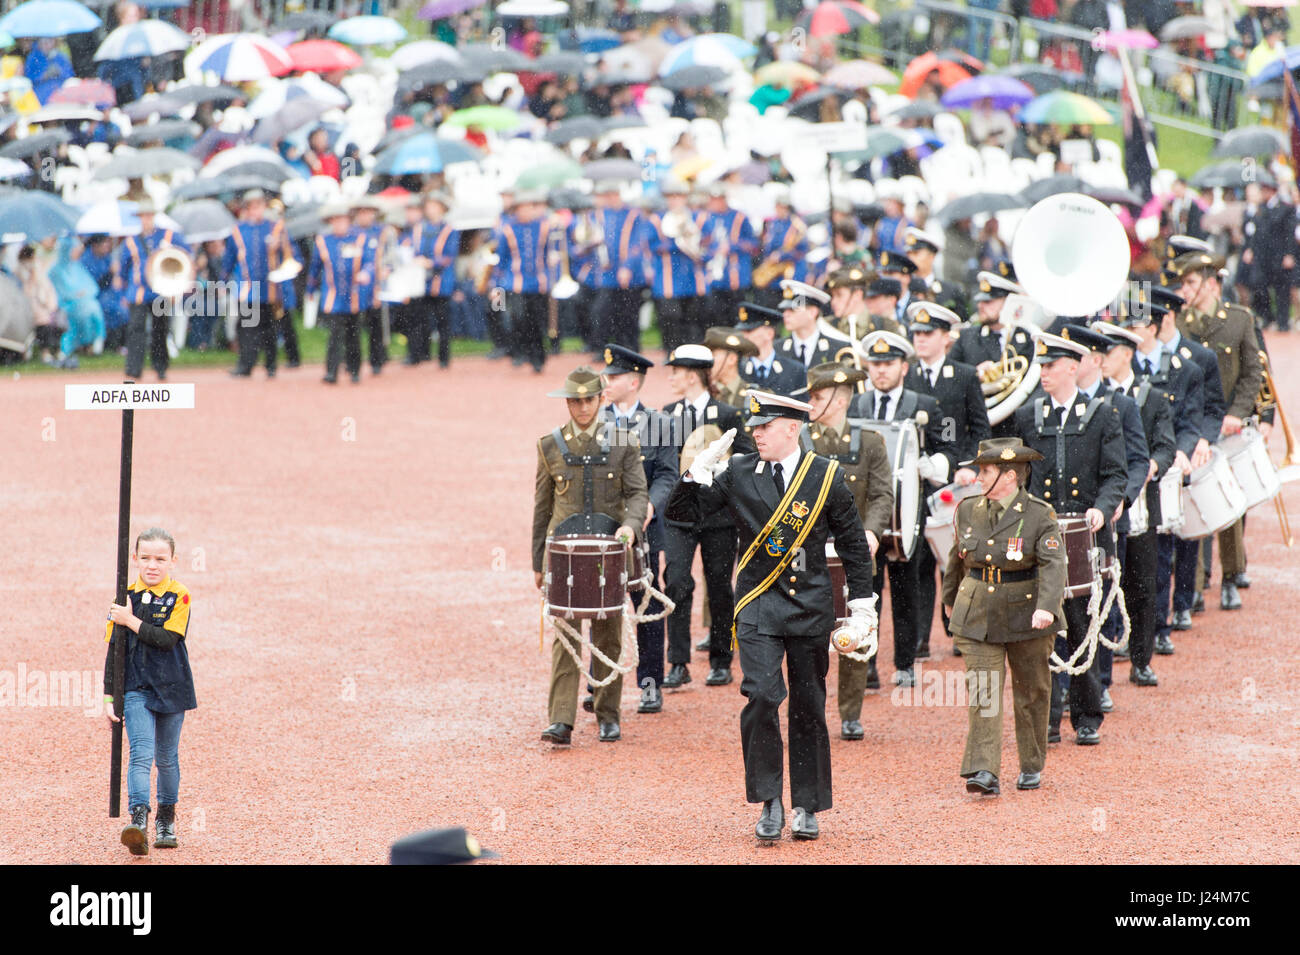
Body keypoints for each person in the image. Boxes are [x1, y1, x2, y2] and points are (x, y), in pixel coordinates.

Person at [665, 391, 877, 841]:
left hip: (809, 606)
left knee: (808, 705)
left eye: (765, 426)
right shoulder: (739, 471)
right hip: (758, 604)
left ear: (793, 428)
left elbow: (855, 548)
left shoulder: (825, 476)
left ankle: (806, 804)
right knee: (761, 696)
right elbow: (681, 515)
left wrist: (862, 608)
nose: (755, 433)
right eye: (754, 426)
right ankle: (769, 801)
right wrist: (696, 472)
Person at [1013, 332, 1127, 746]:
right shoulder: (1028, 416)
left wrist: (1104, 504)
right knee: (1041, 625)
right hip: (1042, 535)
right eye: (1040, 366)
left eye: (1049, 366)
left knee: (1081, 622)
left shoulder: (1102, 414)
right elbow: (1018, 476)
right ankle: (1047, 714)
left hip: (1083, 533)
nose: (1041, 373)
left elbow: (1116, 473)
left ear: (1072, 368)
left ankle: (1086, 715)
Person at [942, 438, 1064, 796]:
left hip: (1028, 614)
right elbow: (956, 559)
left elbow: (1053, 564)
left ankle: (1031, 763)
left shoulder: (1040, 514)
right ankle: (984, 769)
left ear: (1009, 476)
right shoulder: (968, 510)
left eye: (986, 471)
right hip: (979, 610)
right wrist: (950, 600)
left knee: (1032, 692)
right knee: (984, 691)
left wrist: (1047, 606)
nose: (979, 478)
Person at [533, 367, 648, 744]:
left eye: (588, 399)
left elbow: (636, 494)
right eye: (575, 400)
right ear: (567, 402)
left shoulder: (623, 441)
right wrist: (538, 563)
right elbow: (542, 507)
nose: (582, 407)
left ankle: (607, 713)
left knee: (607, 631)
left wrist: (631, 526)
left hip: (608, 551)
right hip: (564, 554)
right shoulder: (548, 445)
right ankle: (561, 720)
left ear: (600, 400)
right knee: (565, 635)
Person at [850, 331, 959, 686]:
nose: (881, 371)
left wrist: (935, 464)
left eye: (888, 364)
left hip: (908, 512)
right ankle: (864, 662)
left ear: (903, 366)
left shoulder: (924, 404)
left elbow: (950, 448)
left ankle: (905, 662)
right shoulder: (856, 405)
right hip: (865, 512)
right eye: (875, 364)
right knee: (864, 590)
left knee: (906, 588)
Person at [803, 362, 893, 740]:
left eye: (818, 397)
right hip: (808, 554)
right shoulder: (801, 440)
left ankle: (851, 712)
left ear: (840, 400)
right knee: (807, 634)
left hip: (854, 551)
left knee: (856, 626)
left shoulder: (870, 441)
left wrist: (871, 532)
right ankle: (809, 710)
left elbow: (881, 494)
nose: (810, 403)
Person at [1173, 251, 1263, 610]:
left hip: (1226, 424)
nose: (1185, 290)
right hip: (1193, 426)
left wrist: (1238, 413)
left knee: (1227, 503)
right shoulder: (1180, 323)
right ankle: (1194, 587)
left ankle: (1229, 576)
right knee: (1193, 501)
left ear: (1211, 285)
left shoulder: (1239, 319)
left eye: (1191, 283)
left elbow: (1252, 374)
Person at [1092, 319, 1177, 688]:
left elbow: (1165, 444)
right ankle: (1105, 664)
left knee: (1142, 584)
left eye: (1107, 352)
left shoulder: (1152, 396)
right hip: (1107, 503)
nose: (1100, 359)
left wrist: (1153, 465)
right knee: (1106, 586)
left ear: (1126, 354)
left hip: (1141, 501)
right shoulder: (1093, 398)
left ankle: (1141, 659)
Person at [661, 344, 749, 688]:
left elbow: (746, 459)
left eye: (676, 371)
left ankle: (721, 658)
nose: (671, 377)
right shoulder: (667, 413)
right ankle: (678, 662)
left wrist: (721, 469)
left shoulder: (726, 413)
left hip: (718, 515)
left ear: (693, 374)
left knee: (719, 588)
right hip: (681, 514)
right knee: (677, 582)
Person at [104, 527, 196, 855]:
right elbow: (114, 650)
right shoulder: (122, 598)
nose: (152, 565)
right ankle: (138, 821)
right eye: (145, 558)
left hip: (172, 688)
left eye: (160, 559)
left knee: (167, 758)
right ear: (135, 560)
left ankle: (166, 821)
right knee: (141, 754)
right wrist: (109, 695)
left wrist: (130, 620)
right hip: (136, 688)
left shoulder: (180, 596)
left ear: (173, 561)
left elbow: (167, 639)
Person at [905, 302, 989, 656]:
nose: (920, 339)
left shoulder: (965, 375)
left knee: (957, 558)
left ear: (946, 338)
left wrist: (967, 464)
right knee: (919, 561)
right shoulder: (906, 375)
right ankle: (921, 638)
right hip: (917, 481)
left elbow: (980, 428)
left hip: (956, 481)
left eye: (928, 334)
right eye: (917, 334)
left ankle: (957, 628)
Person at [597, 345, 678, 713]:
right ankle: (598, 683)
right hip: (602, 530)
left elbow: (667, 474)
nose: (606, 382)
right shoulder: (596, 424)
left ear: (633, 381)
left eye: (613, 377)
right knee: (599, 606)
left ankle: (649, 684)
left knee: (644, 603)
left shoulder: (660, 423)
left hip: (645, 529)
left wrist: (648, 505)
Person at [225, 189, 300, 378]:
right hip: (249, 289)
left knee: (270, 329)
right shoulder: (238, 230)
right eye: (252, 207)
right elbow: (229, 259)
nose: (256, 210)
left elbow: (293, 257)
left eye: (259, 206)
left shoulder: (276, 228)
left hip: (271, 289)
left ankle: (271, 365)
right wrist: (222, 280)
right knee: (248, 328)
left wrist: (280, 249)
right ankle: (246, 365)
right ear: (247, 209)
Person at [119, 200, 190, 382]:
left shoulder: (168, 235)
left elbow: (186, 253)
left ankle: (160, 367)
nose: (146, 220)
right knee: (136, 330)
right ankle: (134, 369)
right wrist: (124, 287)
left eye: (149, 216)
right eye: (143, 217)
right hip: (139, 292)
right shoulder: (131, 241)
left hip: (162, 291)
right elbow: (124, 267)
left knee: (160, 330)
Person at [309, 203, 364, 384]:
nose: (340, 224)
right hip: (333, 296)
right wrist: (310, 289)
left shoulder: (359, 239)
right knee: (335, 335)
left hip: (354, 295)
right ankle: (331, 371)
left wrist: (367, 274)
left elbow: (369, 262)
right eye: (336, 220)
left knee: (353, 335)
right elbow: (315, 268)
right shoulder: (323, 241)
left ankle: (354, 369)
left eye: (343, 220)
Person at [736, 302, 806, 396]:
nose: (744, 336)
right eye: (743, 332)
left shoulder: (794, 371)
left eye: (749, 331)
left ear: (769, 334)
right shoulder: (737, 369)